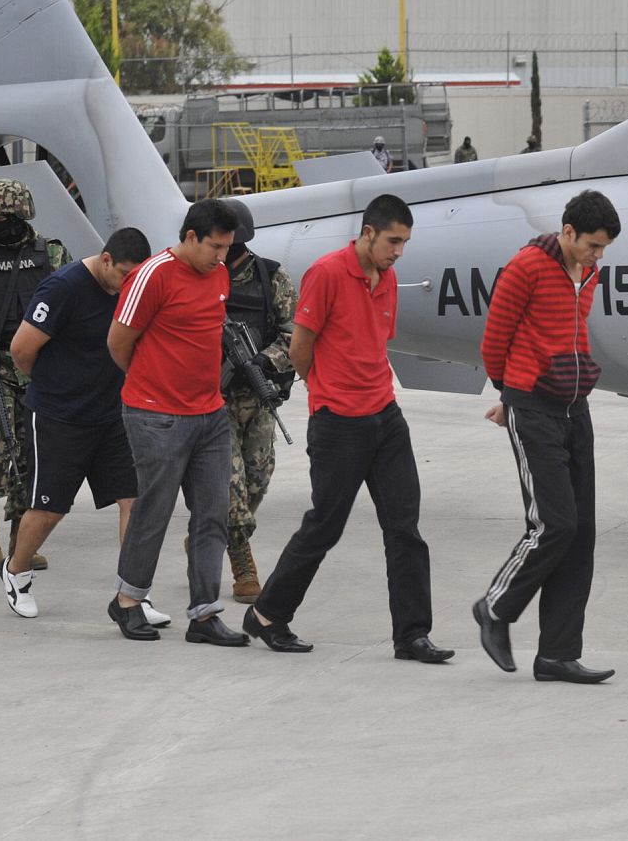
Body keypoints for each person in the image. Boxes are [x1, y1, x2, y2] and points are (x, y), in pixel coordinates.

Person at [245, 194, 452, 663]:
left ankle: (412, 636)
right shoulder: (327, 273)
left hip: (386, 416)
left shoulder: (388, 278)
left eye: (404, 242)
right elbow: (300, 348)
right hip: (339, 423)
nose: (398, 251)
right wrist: (326, 392)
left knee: (405, 528)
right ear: (368, 232)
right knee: (325, 526)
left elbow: (376, 343)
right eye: (393, 241)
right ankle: (267, 615)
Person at [473, 190, 621, 684]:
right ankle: (495, 607)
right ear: (568, 231)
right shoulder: (526, 268)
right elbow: (495, 341)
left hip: (575, 408)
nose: (597, 256)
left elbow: (571, 332)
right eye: (592, 245)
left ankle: (558, 654)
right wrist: (513, 395)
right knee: (554, 524)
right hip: (535, 408)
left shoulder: (589, 273)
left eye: (604, 248)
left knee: (581, 533)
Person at [0, 227, 163, 620]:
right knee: (49, 510)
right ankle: (16, 571)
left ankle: (133, 593)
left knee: (134, 502)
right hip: (59, 416)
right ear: (106, 260)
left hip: (113, 415)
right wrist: (58, 385)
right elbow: (21, 350)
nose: (129, 284)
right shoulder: (64, 287)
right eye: (124, 275)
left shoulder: (132, 290)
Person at [106, 199, 247, 646]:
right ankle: (128, 600)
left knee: (212, 514)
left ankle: (204, 614)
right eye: (215, 247)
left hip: (210, 415)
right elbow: (118, 343)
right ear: (190, 237)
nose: (221, 256)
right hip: (156, 416)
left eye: (227, 248)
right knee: (155, 509)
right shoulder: (153, 275)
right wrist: (152, 385)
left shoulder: (219, 275)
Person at [0, 178, 70, 574]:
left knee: (31, 451)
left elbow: (70, 302)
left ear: (21, 216)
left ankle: (19, 536)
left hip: (38, 366)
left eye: (2, 217)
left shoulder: (51, 253)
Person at [218, 199, 296, 604]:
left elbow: (294, 335)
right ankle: (242, 563)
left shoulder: (270, 277)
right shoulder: (201, 276)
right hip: (214, 400)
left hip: (259, 395)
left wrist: (264, 361)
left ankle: (215, 534)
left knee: (257, 479)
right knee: (230, 484)